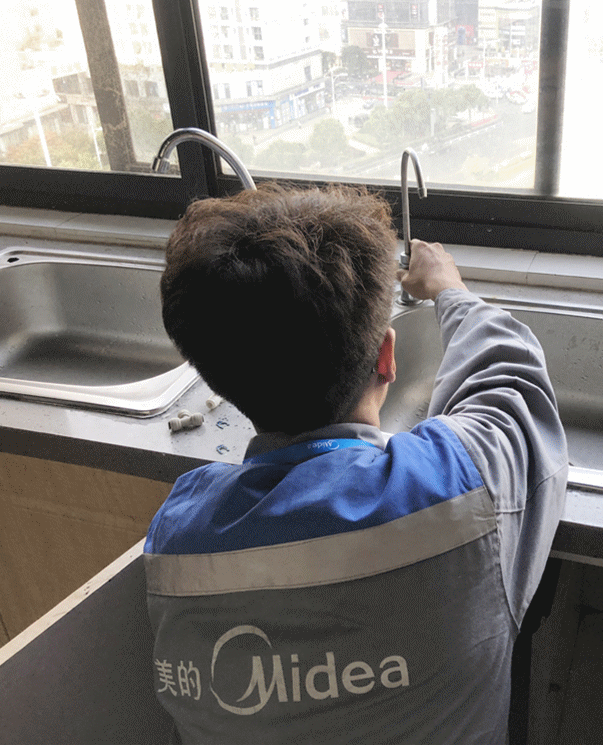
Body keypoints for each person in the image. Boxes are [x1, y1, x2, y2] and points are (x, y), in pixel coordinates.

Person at [145, 183, 568, 743]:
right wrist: (449, 288)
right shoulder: (462, 486)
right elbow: (511, 381)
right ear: (387, 358)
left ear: (215, 380)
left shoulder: (175, 538)